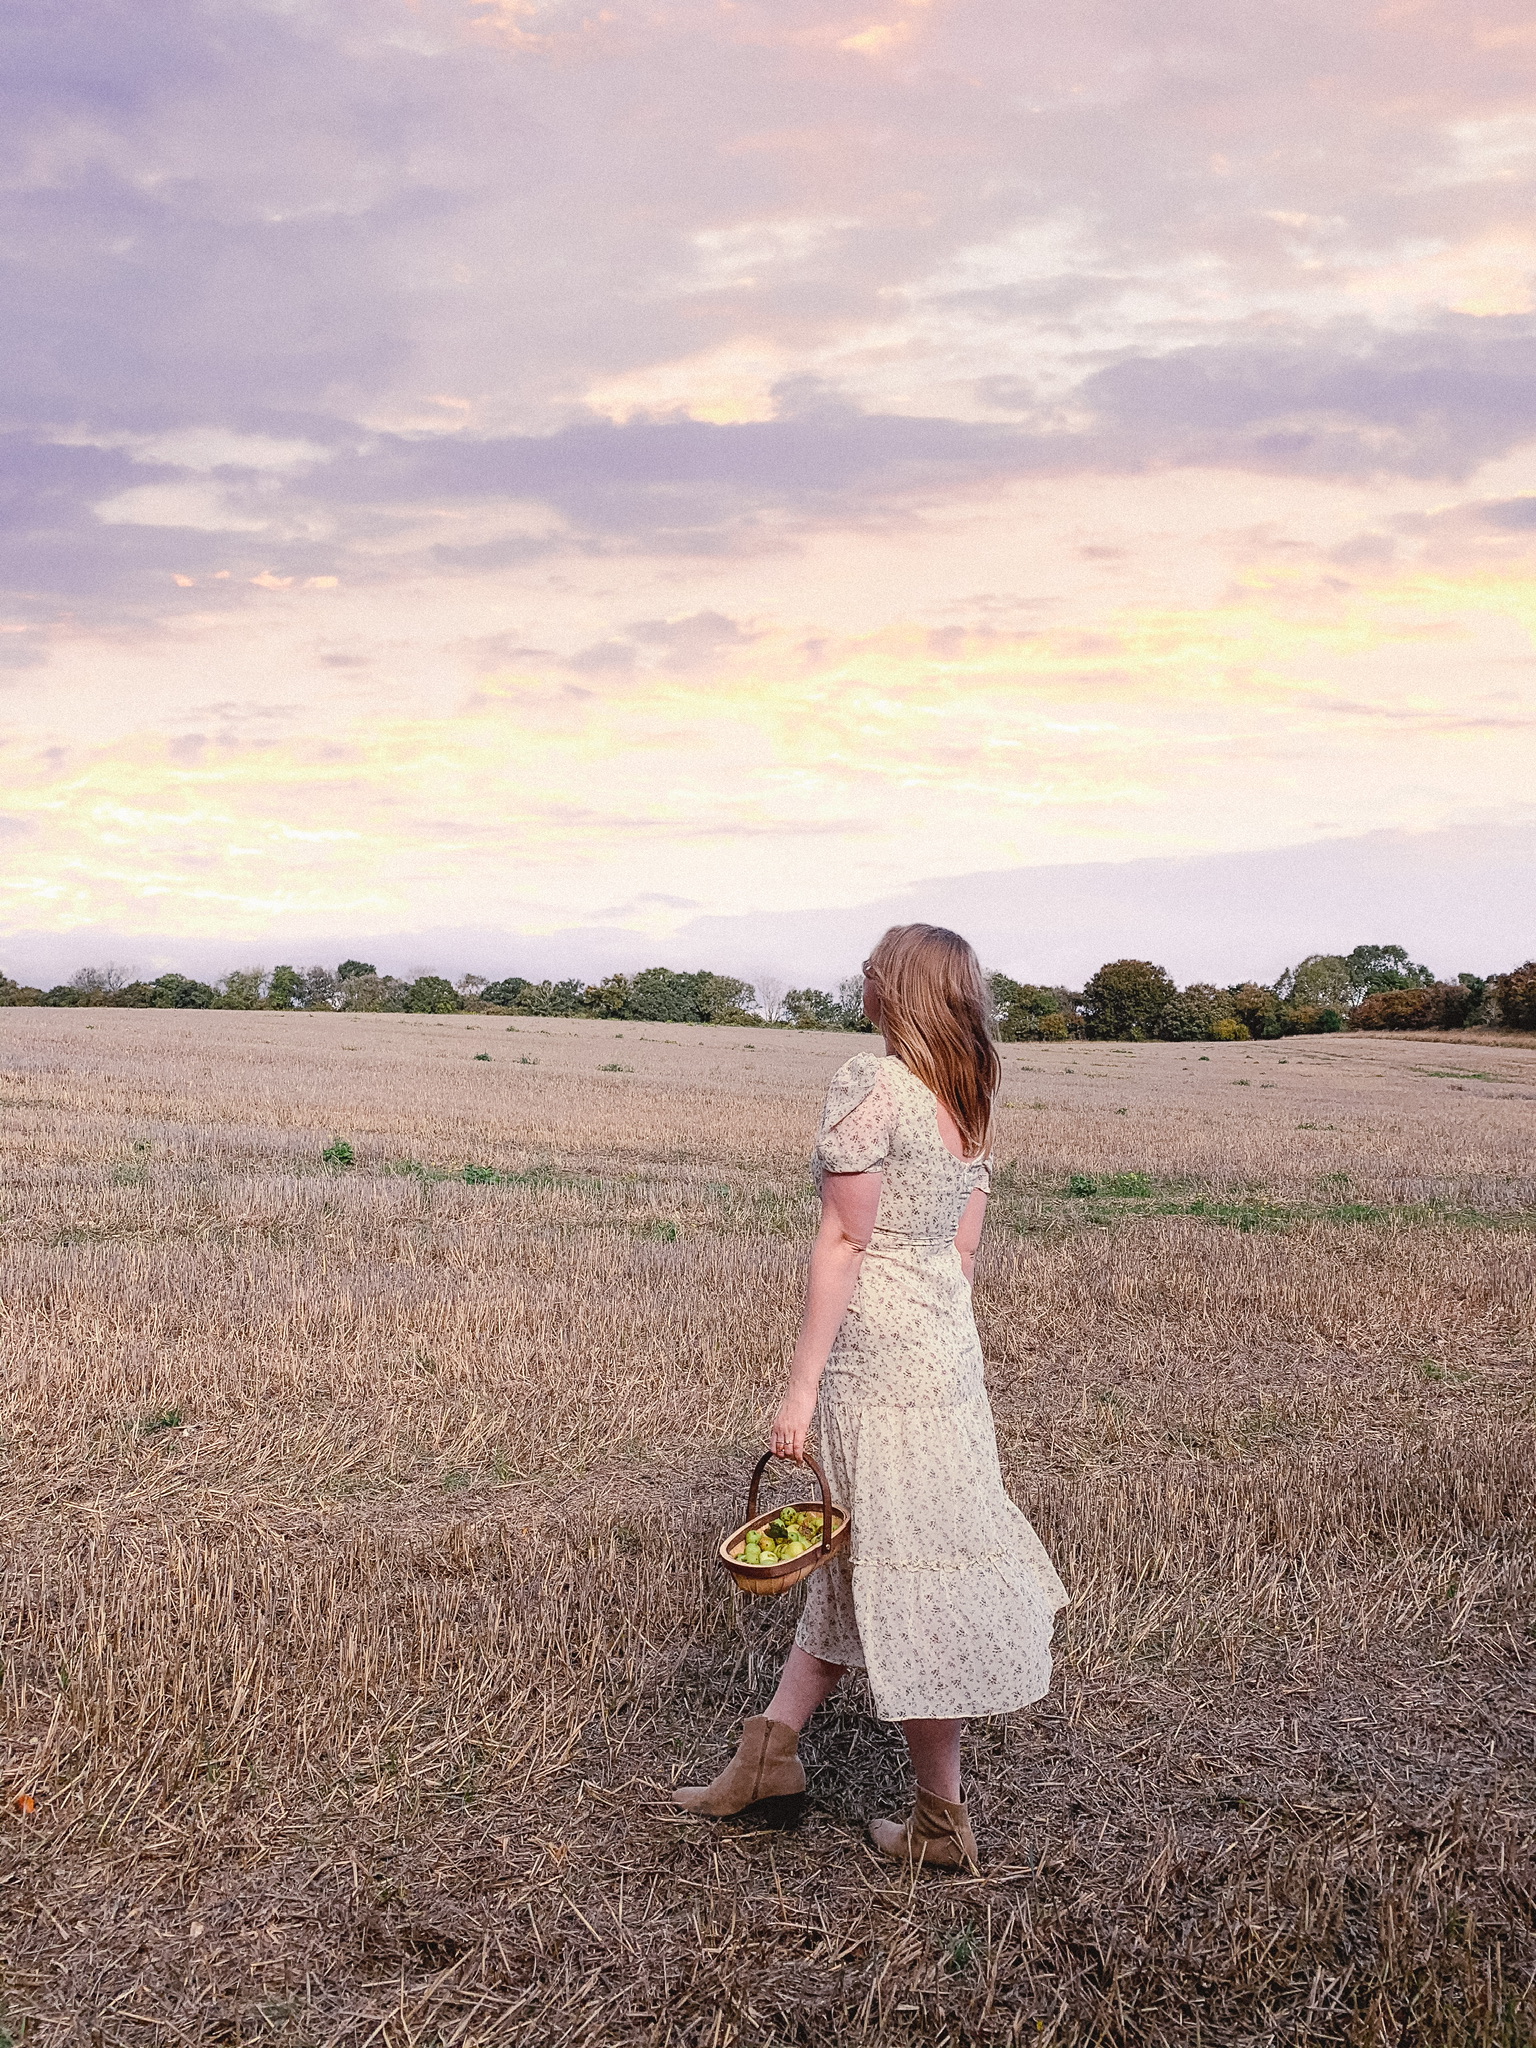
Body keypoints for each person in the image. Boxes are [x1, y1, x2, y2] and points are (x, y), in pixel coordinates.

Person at [674, 922, 1067, 1871]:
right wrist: (941, 1347)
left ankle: (938, 1819)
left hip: (878, 1353)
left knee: (898, 1570)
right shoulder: (963, 1098)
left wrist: (800, 1389)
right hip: (942, 1345)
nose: (860, 973)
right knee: (875, 1554)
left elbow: (845, 1243)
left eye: (874, 965)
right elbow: (964, 1252)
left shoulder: (876, 1084)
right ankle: (771, 1753)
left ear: (899, 988)